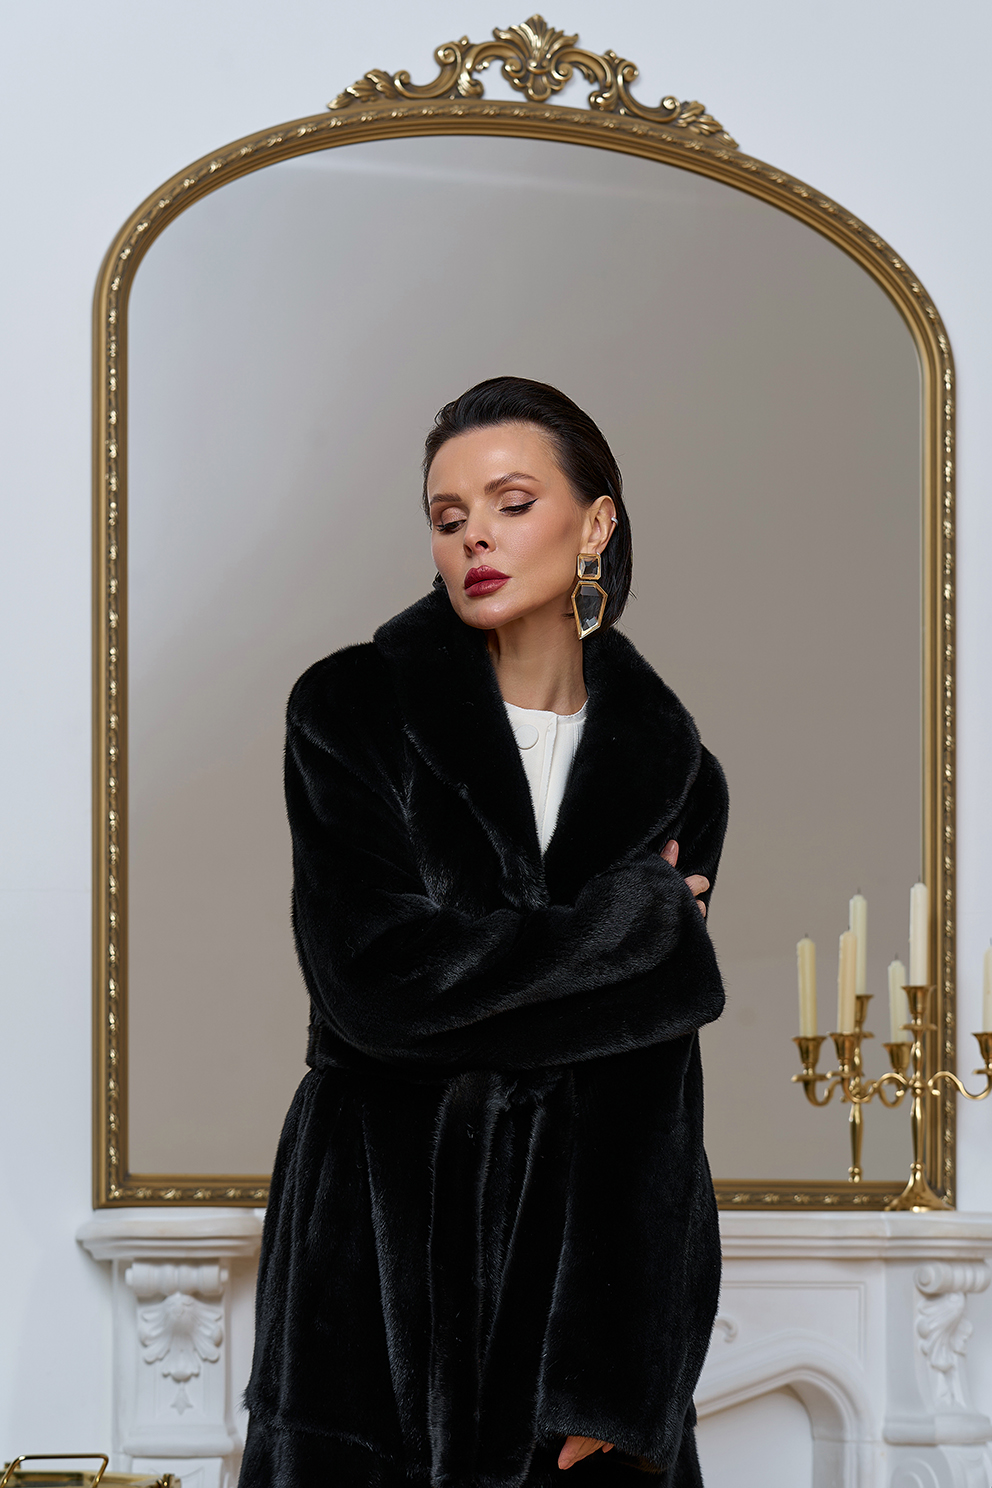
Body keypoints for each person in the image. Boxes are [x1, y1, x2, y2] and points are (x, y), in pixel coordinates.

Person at [239, 376, 729, 1488]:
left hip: (578, 1295)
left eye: (510, 504)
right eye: (447, 516)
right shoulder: (351, 710)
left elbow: (653, 1074)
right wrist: (633, 934)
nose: (474, 539)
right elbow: (376, 991)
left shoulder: (675, 773)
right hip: (373, 1250)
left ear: (594, 523)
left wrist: (623, 1377)